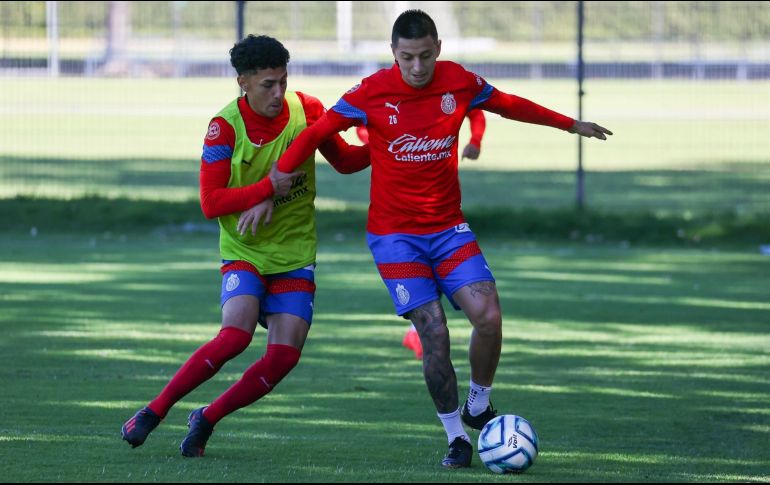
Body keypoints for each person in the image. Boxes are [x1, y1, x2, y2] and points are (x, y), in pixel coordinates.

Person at [274, 10, 612, 468]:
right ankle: (456, 437)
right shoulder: (370, 92)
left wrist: (570, 124)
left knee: (489, 316)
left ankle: (478, 403)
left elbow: (510, 104)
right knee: (433, 331)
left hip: (449, 229)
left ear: (438, 49)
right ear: (394, 53)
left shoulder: (459, 82)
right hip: (395, 237)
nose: (417, 67)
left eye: (425, 56)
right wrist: (279, 175)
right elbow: (316, 133)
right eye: (407, 57)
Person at [120, 34, 369, 457]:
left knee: (284, 358)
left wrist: (387, 145)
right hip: (245, 250)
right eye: (268, 84)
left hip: (294, 253)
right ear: (243, 82)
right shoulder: (224, 127)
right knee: (235, 336)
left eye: (283, 81)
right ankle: (154, 410)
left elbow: (344, 161)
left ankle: (207, 418)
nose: (278, 93)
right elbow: (211, 202)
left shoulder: (307, 109)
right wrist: (266, 188)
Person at [358, 110, 487, 361]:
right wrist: (383, 145)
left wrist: (475, 140)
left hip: (440, 204)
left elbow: (475, 111)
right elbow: (363, 126)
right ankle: (417, 331)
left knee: (440, 264)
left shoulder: (445, 93)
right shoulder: (381, 98)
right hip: (399, 211)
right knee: (421, 268)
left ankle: (415, 332)